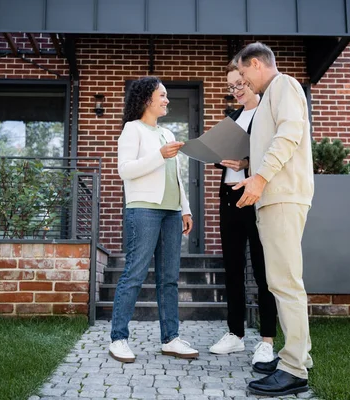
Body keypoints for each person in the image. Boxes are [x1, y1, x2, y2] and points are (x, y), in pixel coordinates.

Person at [233, 42, 314, 397]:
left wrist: (262, 177)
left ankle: (294, 369)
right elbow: (273, 144)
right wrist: (250, 169)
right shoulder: (269, 97)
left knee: (285, 282)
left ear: (255, 64)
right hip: (272, 197)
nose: (243, 80)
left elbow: (289, 135)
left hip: (281, 196)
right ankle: (296, 357)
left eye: (244, 73)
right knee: (281, 280)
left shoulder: (284, 85)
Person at [109, 76, 199, 363]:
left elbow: (175, 176)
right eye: (162, 95)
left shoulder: (168, 133)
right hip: (144, 209)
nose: (167, 100)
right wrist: (159, 155)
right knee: (134, 274)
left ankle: (170, 338)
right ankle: (119, 338)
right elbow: (125, 170)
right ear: (147, 98)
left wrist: (185, 208)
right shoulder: (132, 130)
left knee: (169, 278)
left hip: (171, 212)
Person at [209, 61, 277, 366]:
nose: (235, 91)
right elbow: (220, 158)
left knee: (263, 272)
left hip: (256, 196)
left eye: (239, 84)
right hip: (229, 197)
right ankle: (235, 335)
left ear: (251, 79)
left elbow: (271, 156)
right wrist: (220, 157)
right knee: (233, 270)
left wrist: (246, 163)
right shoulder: (233, 116)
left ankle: (266, 341)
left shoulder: (267, 113)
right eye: (231, 87)